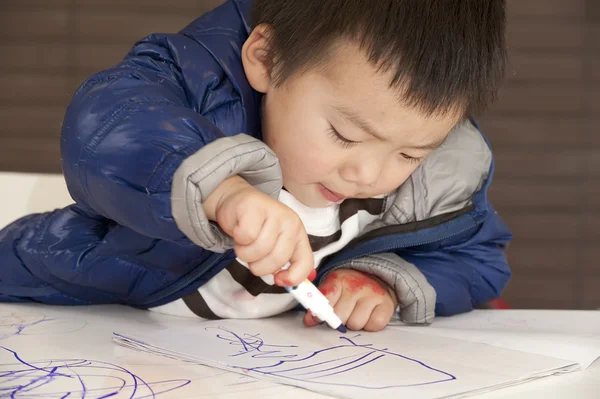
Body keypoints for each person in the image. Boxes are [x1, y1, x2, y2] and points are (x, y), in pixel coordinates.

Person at [0, 0, 511, 331]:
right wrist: (219, 189)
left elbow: (480, 260)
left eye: (408, 154)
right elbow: (105, 127)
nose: (369, 175)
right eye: (345, 135)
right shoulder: (194, 83)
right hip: (95, 318)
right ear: (265, 60)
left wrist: (383, 279)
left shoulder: (439, 176)